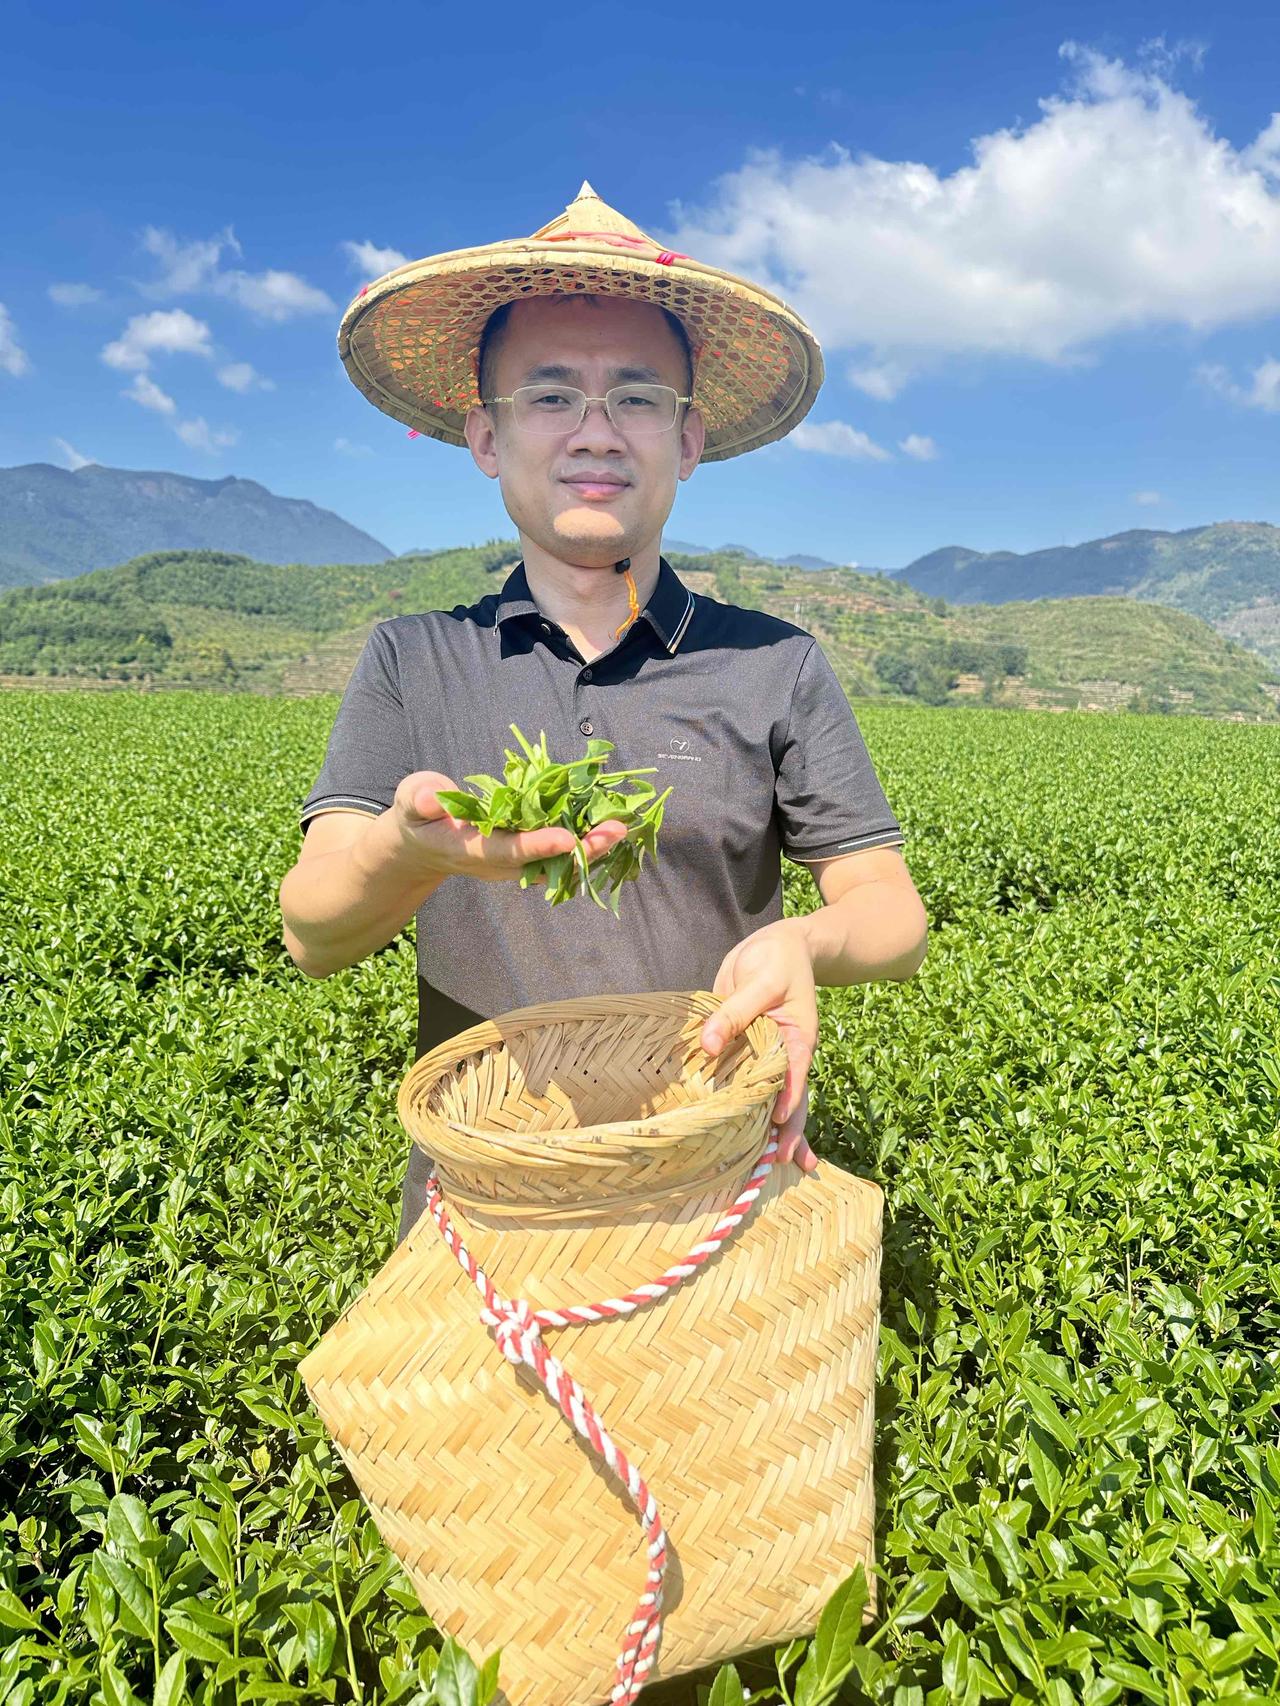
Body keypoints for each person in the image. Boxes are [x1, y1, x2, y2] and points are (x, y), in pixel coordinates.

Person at [279, 182, 928, 1246]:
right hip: (482, 1207)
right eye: (549, 396)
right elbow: (312, 933)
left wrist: (803, 942)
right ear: (486, 436)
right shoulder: (412, 658)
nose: (595, 433)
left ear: (688, 437)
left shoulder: (774, 664)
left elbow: (889, 909)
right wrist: (408, 850)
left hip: (714, 1186)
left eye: (636, 398)